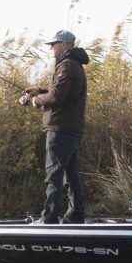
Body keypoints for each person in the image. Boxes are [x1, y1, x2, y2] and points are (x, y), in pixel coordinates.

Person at [23, 30, 89, 224]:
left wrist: (37, 100)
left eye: (54, 44)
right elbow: (62, 92)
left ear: (65, 44)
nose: (51, 49)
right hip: (71, 128)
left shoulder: (67, 65)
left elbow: (57, 97)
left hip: (60, 129)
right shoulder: (73, 64)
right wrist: (41, 91)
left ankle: (49, 219)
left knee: (54, 174)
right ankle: (75, 217)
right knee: (70, 174)